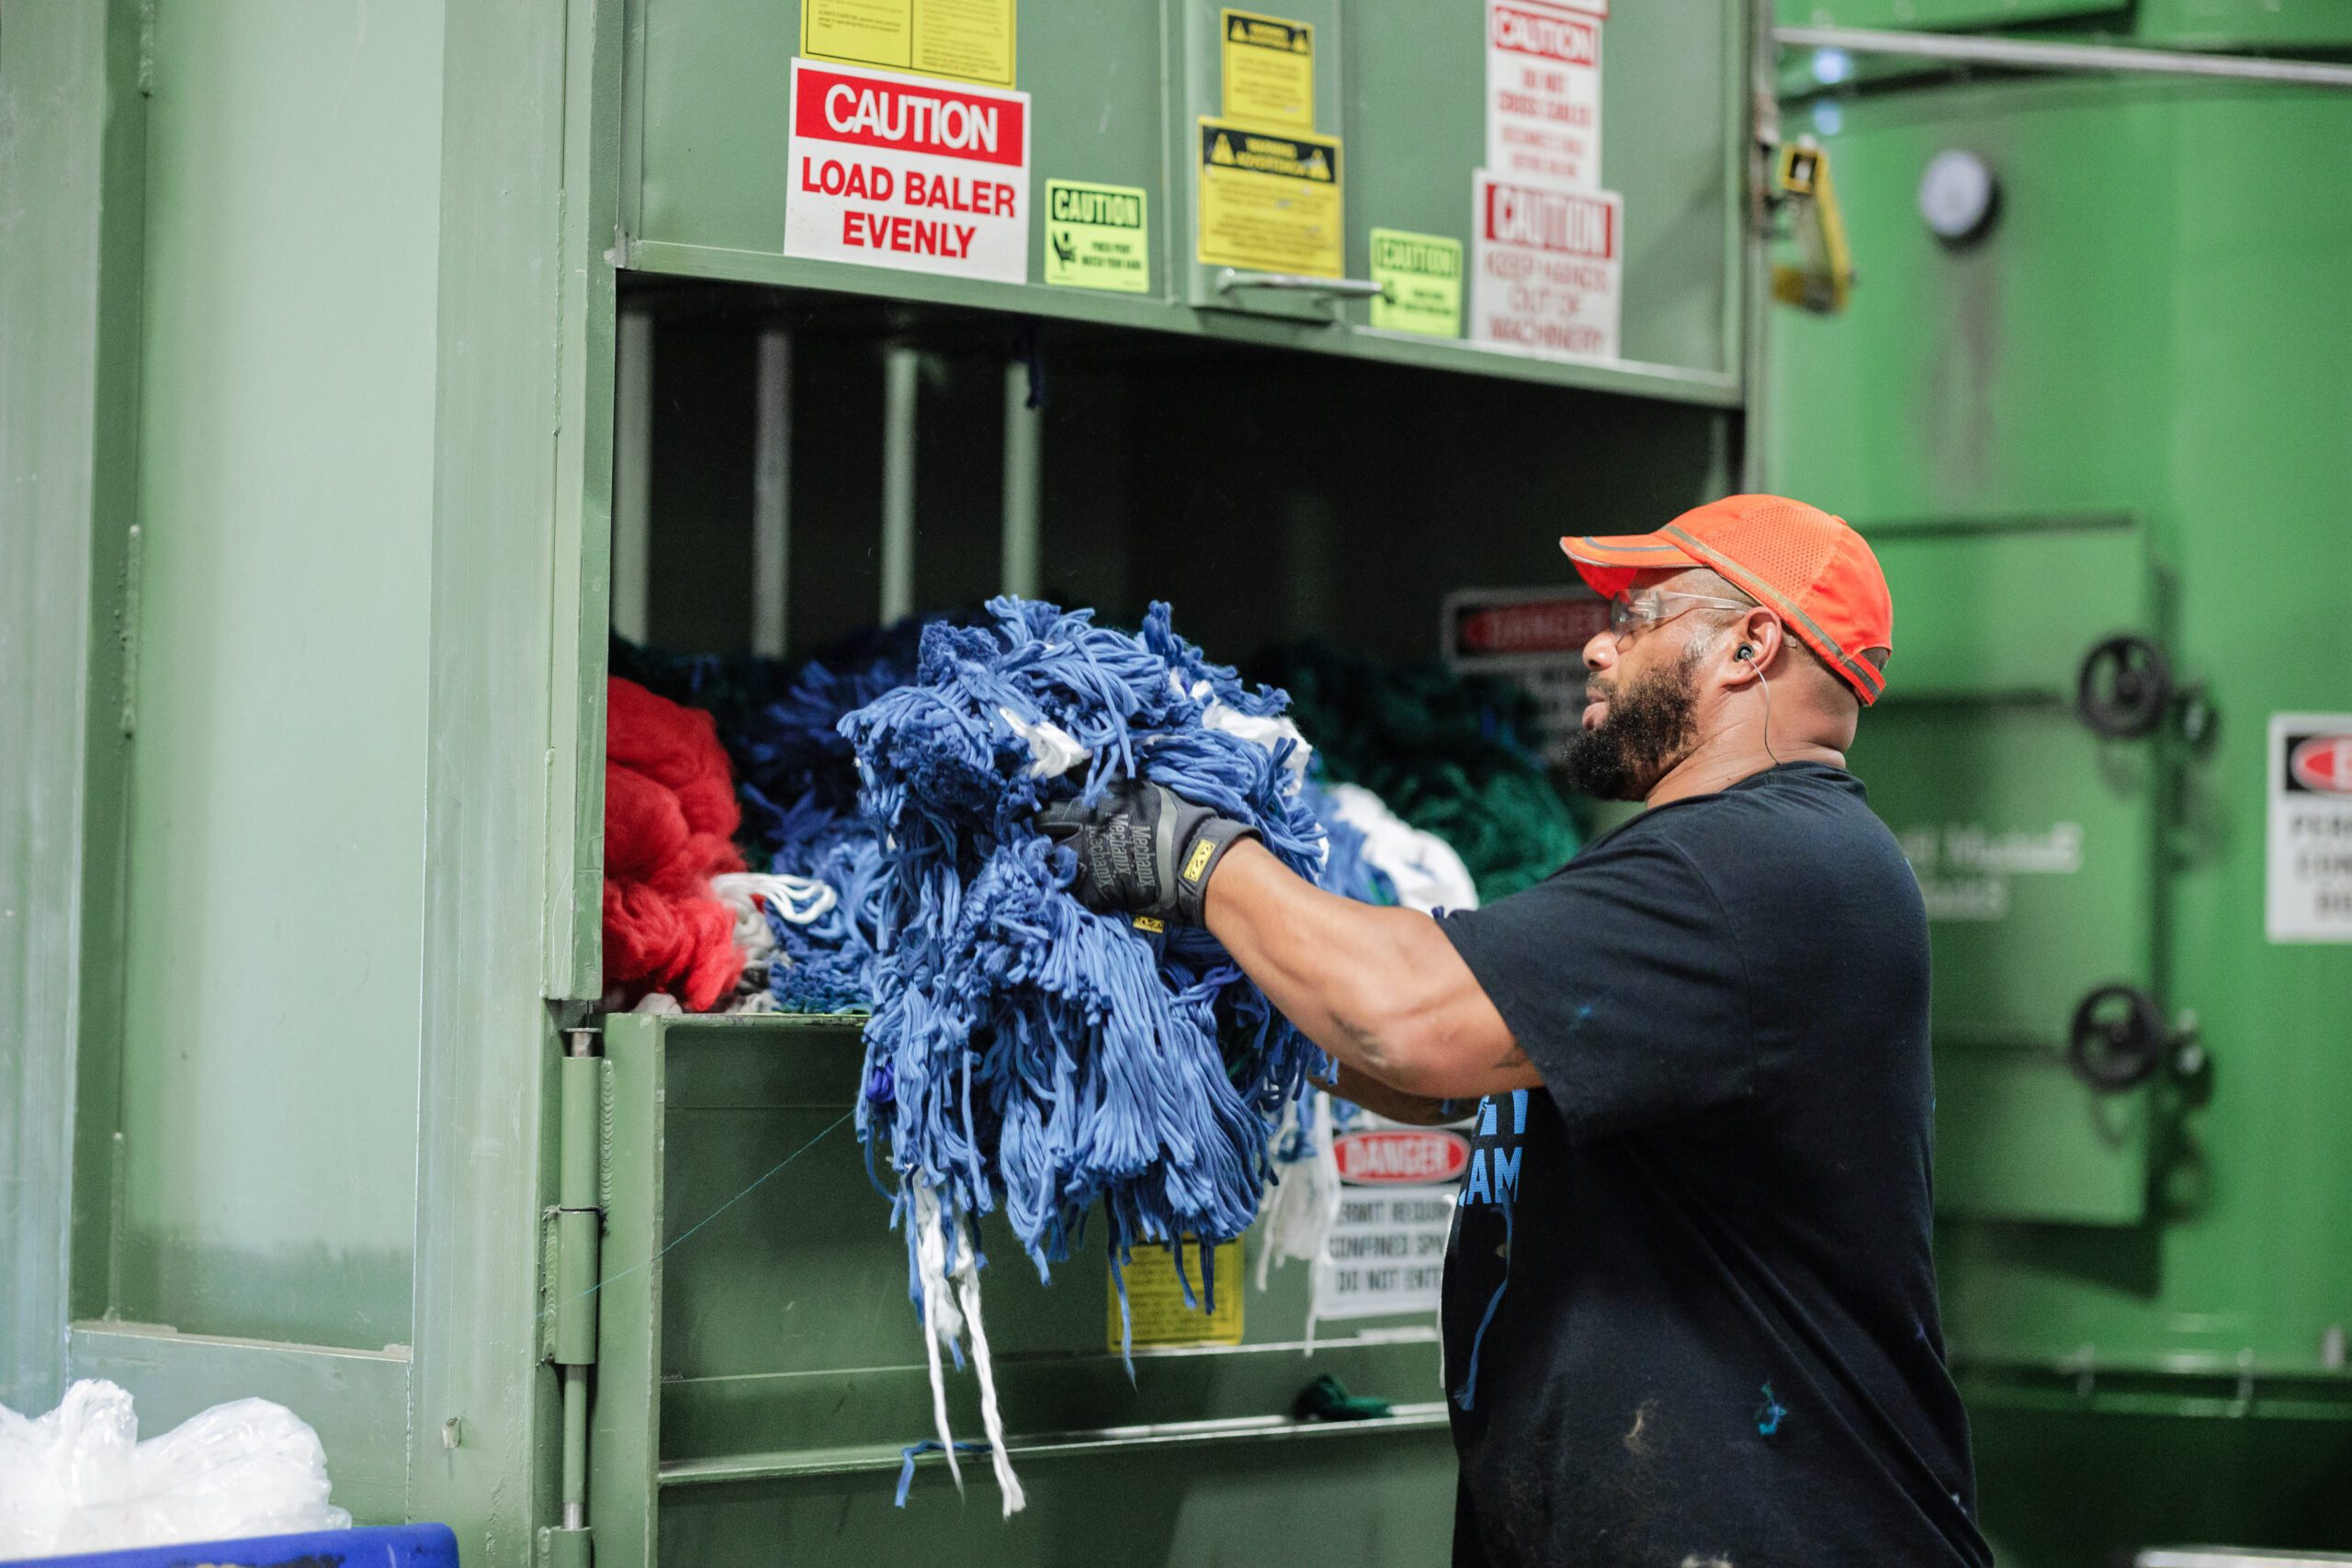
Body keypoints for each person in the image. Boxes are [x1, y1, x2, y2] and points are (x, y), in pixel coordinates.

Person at [1042, 495, 1994, 1567]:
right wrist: (1224, 993)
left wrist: (1197, 856)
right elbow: (1451, 1075)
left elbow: (1411, 1020)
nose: (1597, 645)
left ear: (1750, 643)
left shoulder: (1755, 869)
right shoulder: (1748, 866)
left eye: (1637, 617)